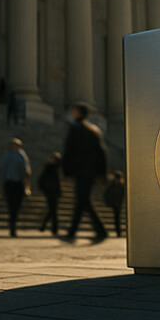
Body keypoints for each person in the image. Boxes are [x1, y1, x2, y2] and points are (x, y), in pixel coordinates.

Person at [62, 102, 108, 242]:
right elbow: (101, 153)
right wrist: (102, 173)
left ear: (79, 113)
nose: (73, 113)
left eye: (74, 111)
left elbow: (69, 152)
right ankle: (97, 230)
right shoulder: (93, 131)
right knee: (83, 200)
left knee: (82, 200)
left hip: (80, 171)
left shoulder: (75, 129)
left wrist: (66, 171)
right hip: (90, 172)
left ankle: (76, 231)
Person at [1, 137, 31, 237]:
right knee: (15, 206)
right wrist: (26, 185)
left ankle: (12, 223)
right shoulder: (21, 155)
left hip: (9, 183)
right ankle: (13, 224)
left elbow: (3, 170)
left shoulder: (7, 155)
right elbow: (26, 171)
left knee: (12, 206)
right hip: (17, 184)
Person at [38, 152, 63, 234]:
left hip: (53, 192)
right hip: (50, 192)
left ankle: (44, 226)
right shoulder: (50, 168)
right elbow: (41, 181)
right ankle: (54, 228)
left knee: (52, 210)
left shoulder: (55, 168)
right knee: (53, 210)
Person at [103, 170, 126, 238]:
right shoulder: (113, 184)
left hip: (118, 204)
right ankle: (118, 232)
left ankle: (118, 233)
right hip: (114, 203)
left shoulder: (120, 185)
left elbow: (123, 194)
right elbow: (107, 193)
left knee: (117, 218)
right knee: (116, 218)